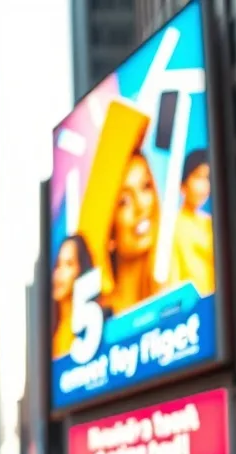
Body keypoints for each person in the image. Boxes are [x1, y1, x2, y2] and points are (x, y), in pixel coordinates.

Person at [75, 100, 162, 316]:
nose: (142, 206)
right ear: (109, 235)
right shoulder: (97, 323)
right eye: (124, 201)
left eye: (146, 187)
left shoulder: (181, 291)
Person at [167, 148, 216, 297]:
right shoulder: (173, 225)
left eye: (207, 178)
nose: (203, 186)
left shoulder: (209, 223)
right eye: (198, 177)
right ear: (183, 183)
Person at [51, 235, 95, 359]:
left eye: (69, 264)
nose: (60, 274)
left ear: (81, 269)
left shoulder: (90, 325)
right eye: (58, 265)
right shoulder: (51, 333)